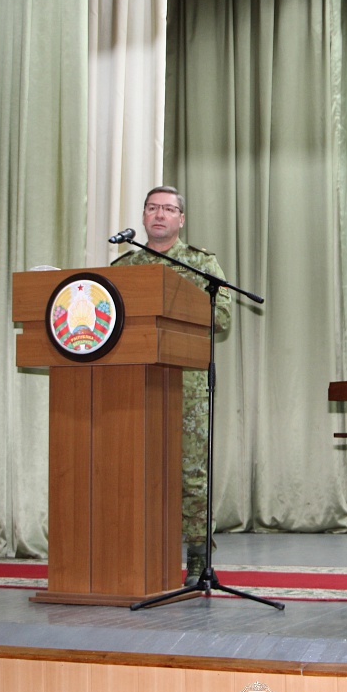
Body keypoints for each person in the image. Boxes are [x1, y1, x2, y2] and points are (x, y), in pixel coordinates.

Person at [112, 186, 231, 584]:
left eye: (167, 209)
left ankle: (198, 557)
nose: (159, 215)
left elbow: (222, 317)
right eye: (152, 208)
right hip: (136, 381)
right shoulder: (125, 266)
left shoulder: (201, 263)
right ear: (143, 216)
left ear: (181, 218)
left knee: (192, 473)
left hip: (188, 383)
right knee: (135, 469)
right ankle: (139, 551)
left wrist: (171, 308)